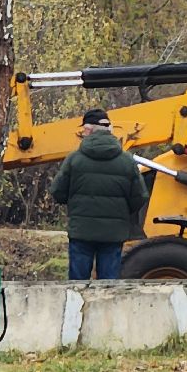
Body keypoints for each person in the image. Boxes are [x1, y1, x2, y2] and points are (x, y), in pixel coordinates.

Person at [51, 107, 147, 281]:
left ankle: (77, 309)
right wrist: (122, 213)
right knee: (108, 286)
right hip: (113, 233)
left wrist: (76, 205)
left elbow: (57, 192)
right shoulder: (126, 161)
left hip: (81, 231)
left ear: (88, 129)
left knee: (77, 286)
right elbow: (140, 196)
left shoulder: (74, 160)